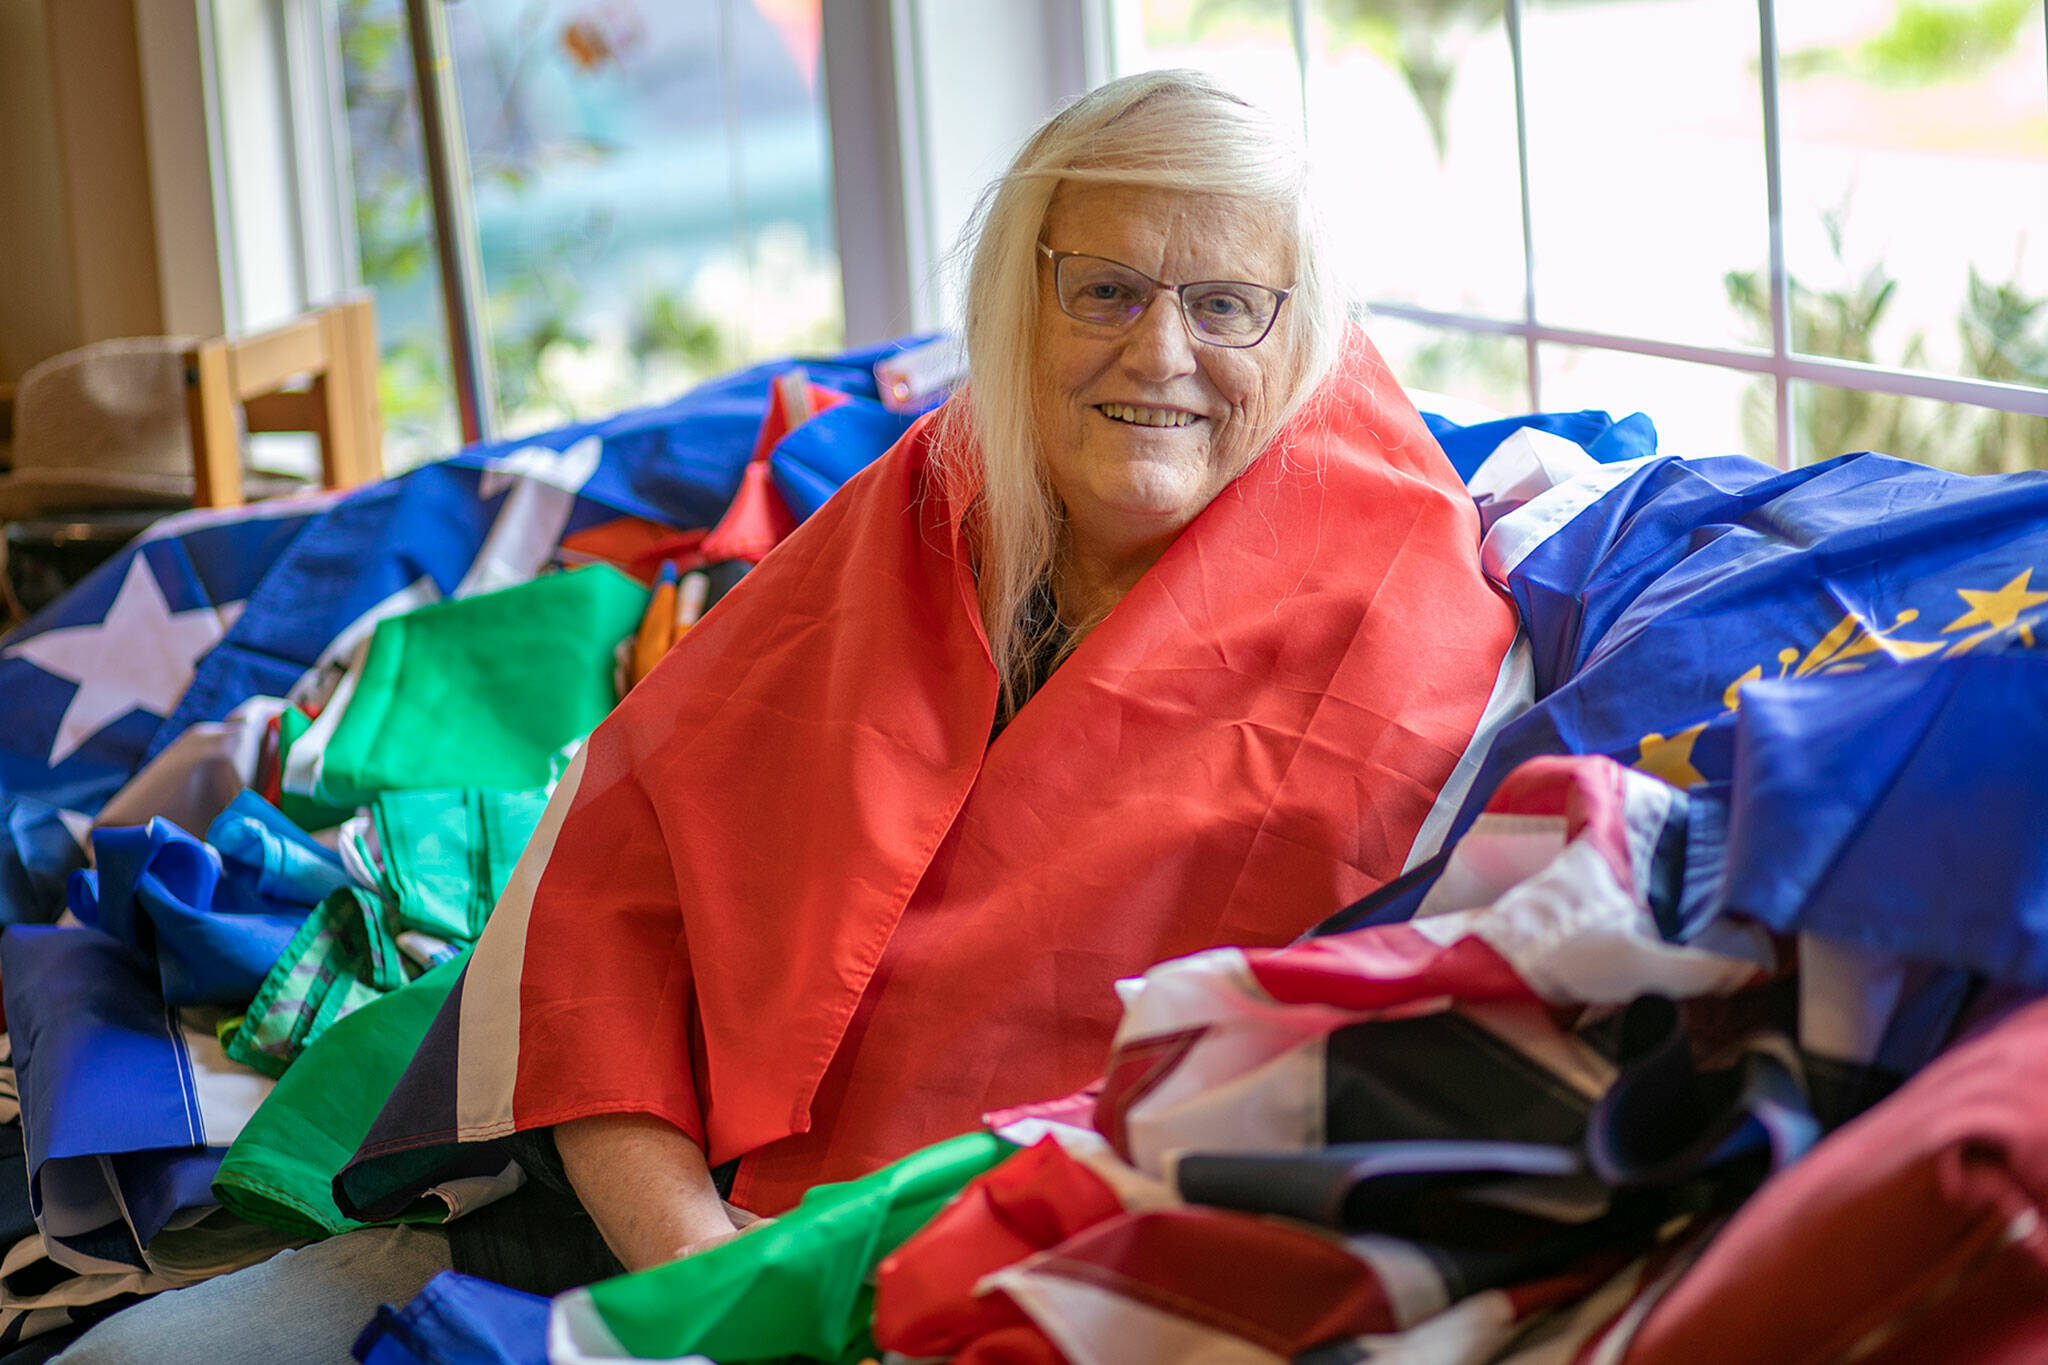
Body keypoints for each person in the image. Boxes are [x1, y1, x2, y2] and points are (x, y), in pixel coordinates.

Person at [57, 68, 1520, 1361]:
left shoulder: (1385, 598)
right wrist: (697, 1262)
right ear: (1022, 307)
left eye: (1224, 304)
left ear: (1303, 330)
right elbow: (614, 895)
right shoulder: (941, 495)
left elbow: (1238, 1086)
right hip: (640, 1222)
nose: (1159, 353)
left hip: (980, 1291)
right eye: (1106, 290)